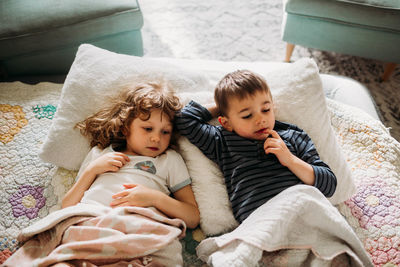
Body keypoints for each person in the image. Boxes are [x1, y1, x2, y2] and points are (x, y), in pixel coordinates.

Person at [5, 81, 199, 267]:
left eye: (165, 132)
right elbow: (68, 205)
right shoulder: (100, 154)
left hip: (139, 225)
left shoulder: (169, 160)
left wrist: (154, 198)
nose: (156, 137)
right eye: (147, 128)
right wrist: (92, 170)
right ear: (126, 127)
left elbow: (191, 216)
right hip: (92, 221)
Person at [175, 70, 337, 224]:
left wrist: (290, 160)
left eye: (265, 109)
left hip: (302, 211)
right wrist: (225, 106)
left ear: (273, 107)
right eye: (247, 115)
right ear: (225, 123)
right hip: (258, 221)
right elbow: (184, 119)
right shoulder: (222, 141)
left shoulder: (292, 135)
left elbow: (329, 185)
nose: (261, 119)